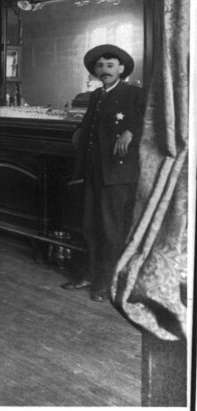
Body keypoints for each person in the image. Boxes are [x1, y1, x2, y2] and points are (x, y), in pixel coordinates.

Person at [61, 44, 144, 302]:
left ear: (121, 68)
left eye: (110, 66)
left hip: (117, 175)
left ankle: (107, 282)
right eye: (100, 66)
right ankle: (90, 273)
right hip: (94, 170)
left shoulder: (133, 93)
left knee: (111, 229)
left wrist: (131, 130)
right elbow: (90, 126)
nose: (105, 70)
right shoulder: (96, 96)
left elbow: (151, 120)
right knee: (90, 226)